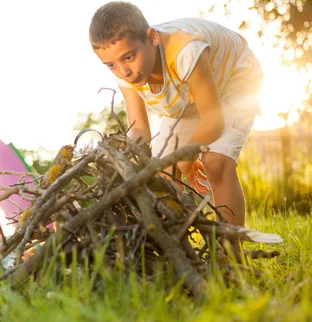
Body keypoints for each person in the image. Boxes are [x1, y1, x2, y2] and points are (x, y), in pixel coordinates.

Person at [89, 1, 263, 226]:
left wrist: (186, 156)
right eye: (111, 65)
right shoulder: (124, 72)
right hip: (189, 93)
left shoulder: (185, 51)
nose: (124, 71)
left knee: (216, 162)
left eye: (129, 57)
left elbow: (213, 120)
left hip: (234, 79)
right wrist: (119, 149)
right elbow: (139, 129)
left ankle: (230, 251)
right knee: (163, 168)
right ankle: (178, 242)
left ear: (152, 38)